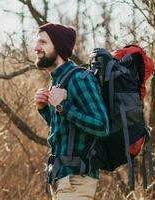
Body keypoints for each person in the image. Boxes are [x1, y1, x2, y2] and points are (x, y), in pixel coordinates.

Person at [34, 23, 110, 200]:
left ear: (59, 47)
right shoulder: (58, 81)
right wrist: (44, 109)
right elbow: (67, 130)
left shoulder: (79, 78)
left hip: (77, 180)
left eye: (43, 42)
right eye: (37, 42)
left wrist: (62, 106)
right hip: (62, 179)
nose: (36, 48)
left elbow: (101, 125)